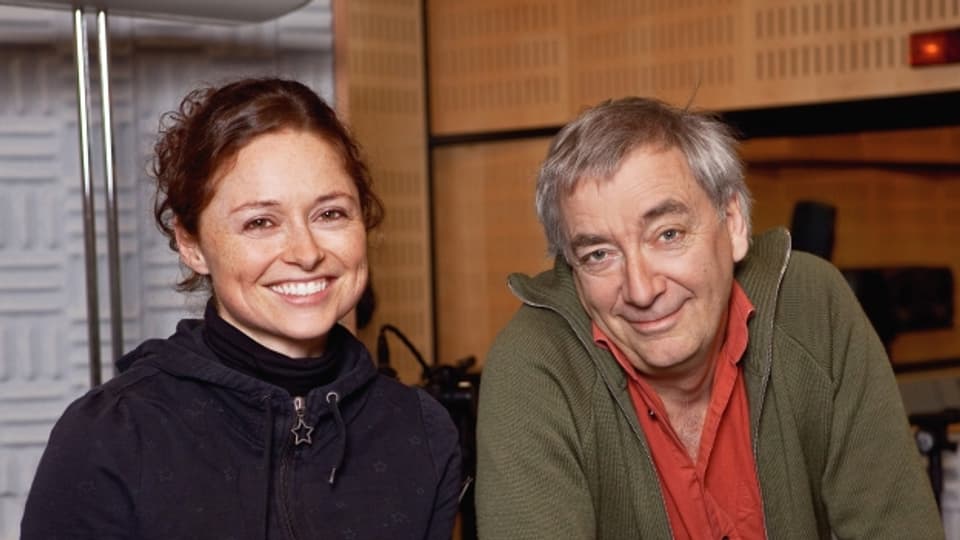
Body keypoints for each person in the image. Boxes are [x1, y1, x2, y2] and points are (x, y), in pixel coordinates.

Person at [475, 97, 942, 539]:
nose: (641, 290)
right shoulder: (537, 362)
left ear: (733, 223)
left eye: (668, 234)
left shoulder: (810, 307)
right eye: (599, 254)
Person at [21, 77, 461, 540]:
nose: (306, 252)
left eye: (330, 214)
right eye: (260, 222)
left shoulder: (421, 431)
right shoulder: (113, 434)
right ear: (191, 244)